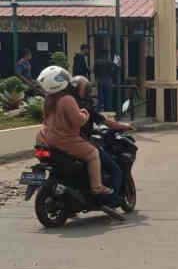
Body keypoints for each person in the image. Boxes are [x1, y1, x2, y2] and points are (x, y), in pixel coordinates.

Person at [35, 66, 113, 197]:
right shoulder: (67, 99)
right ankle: (97, 187)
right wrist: (84, 113)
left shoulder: (49, 100)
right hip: (64, 139)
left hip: (45, 138)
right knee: (93, 154)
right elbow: (78, 121)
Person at [71, 75, 130, 203]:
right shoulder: (84, 107)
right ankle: (110, 198)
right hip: (80, 143)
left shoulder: (67, 104)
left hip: (60, 144)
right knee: (115, 170)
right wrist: (124, 126)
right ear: (86, 91)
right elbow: (105, 121)